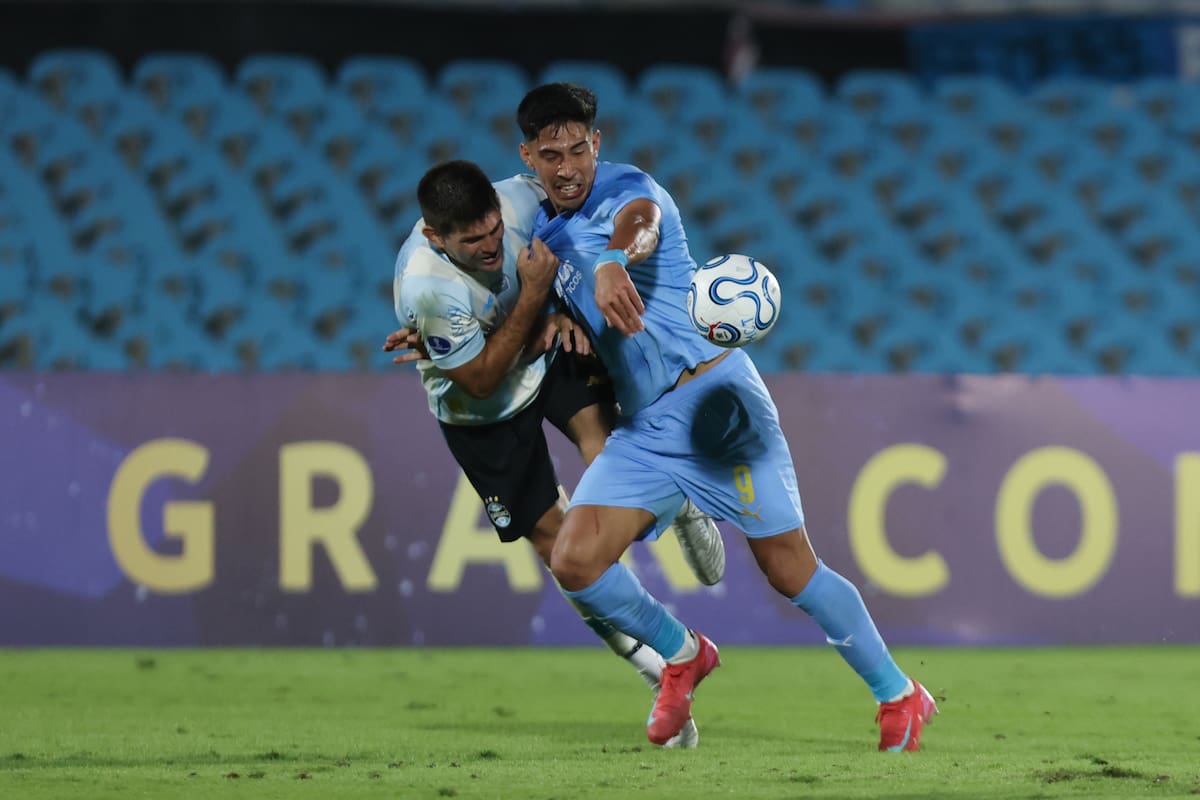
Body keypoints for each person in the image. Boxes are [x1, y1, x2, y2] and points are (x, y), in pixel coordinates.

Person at [515, 83, 938, 751]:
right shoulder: (544, 237)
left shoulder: (629, 190)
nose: (567, 167)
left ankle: (899, 693)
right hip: (646, 429)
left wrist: (614, 263)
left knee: (788, 569)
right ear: (529, 158)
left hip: (716, 405)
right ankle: (682, 655)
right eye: (550, 154)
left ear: (596, 144)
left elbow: (641, 224)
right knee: (573, 559)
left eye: (577, 149)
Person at [385, 159, 727, 748]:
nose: (493, 245)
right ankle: (659, 667)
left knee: (613, 459)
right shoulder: (426, 285)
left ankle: (679, 505)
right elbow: (482, 379)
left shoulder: (520, 198)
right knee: (563, 547)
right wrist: (535, 298)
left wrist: (557, 308)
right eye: (474, 241)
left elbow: (591, 204)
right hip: (482, 413)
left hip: (549, 356)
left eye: (495, 229)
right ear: (435, 237)